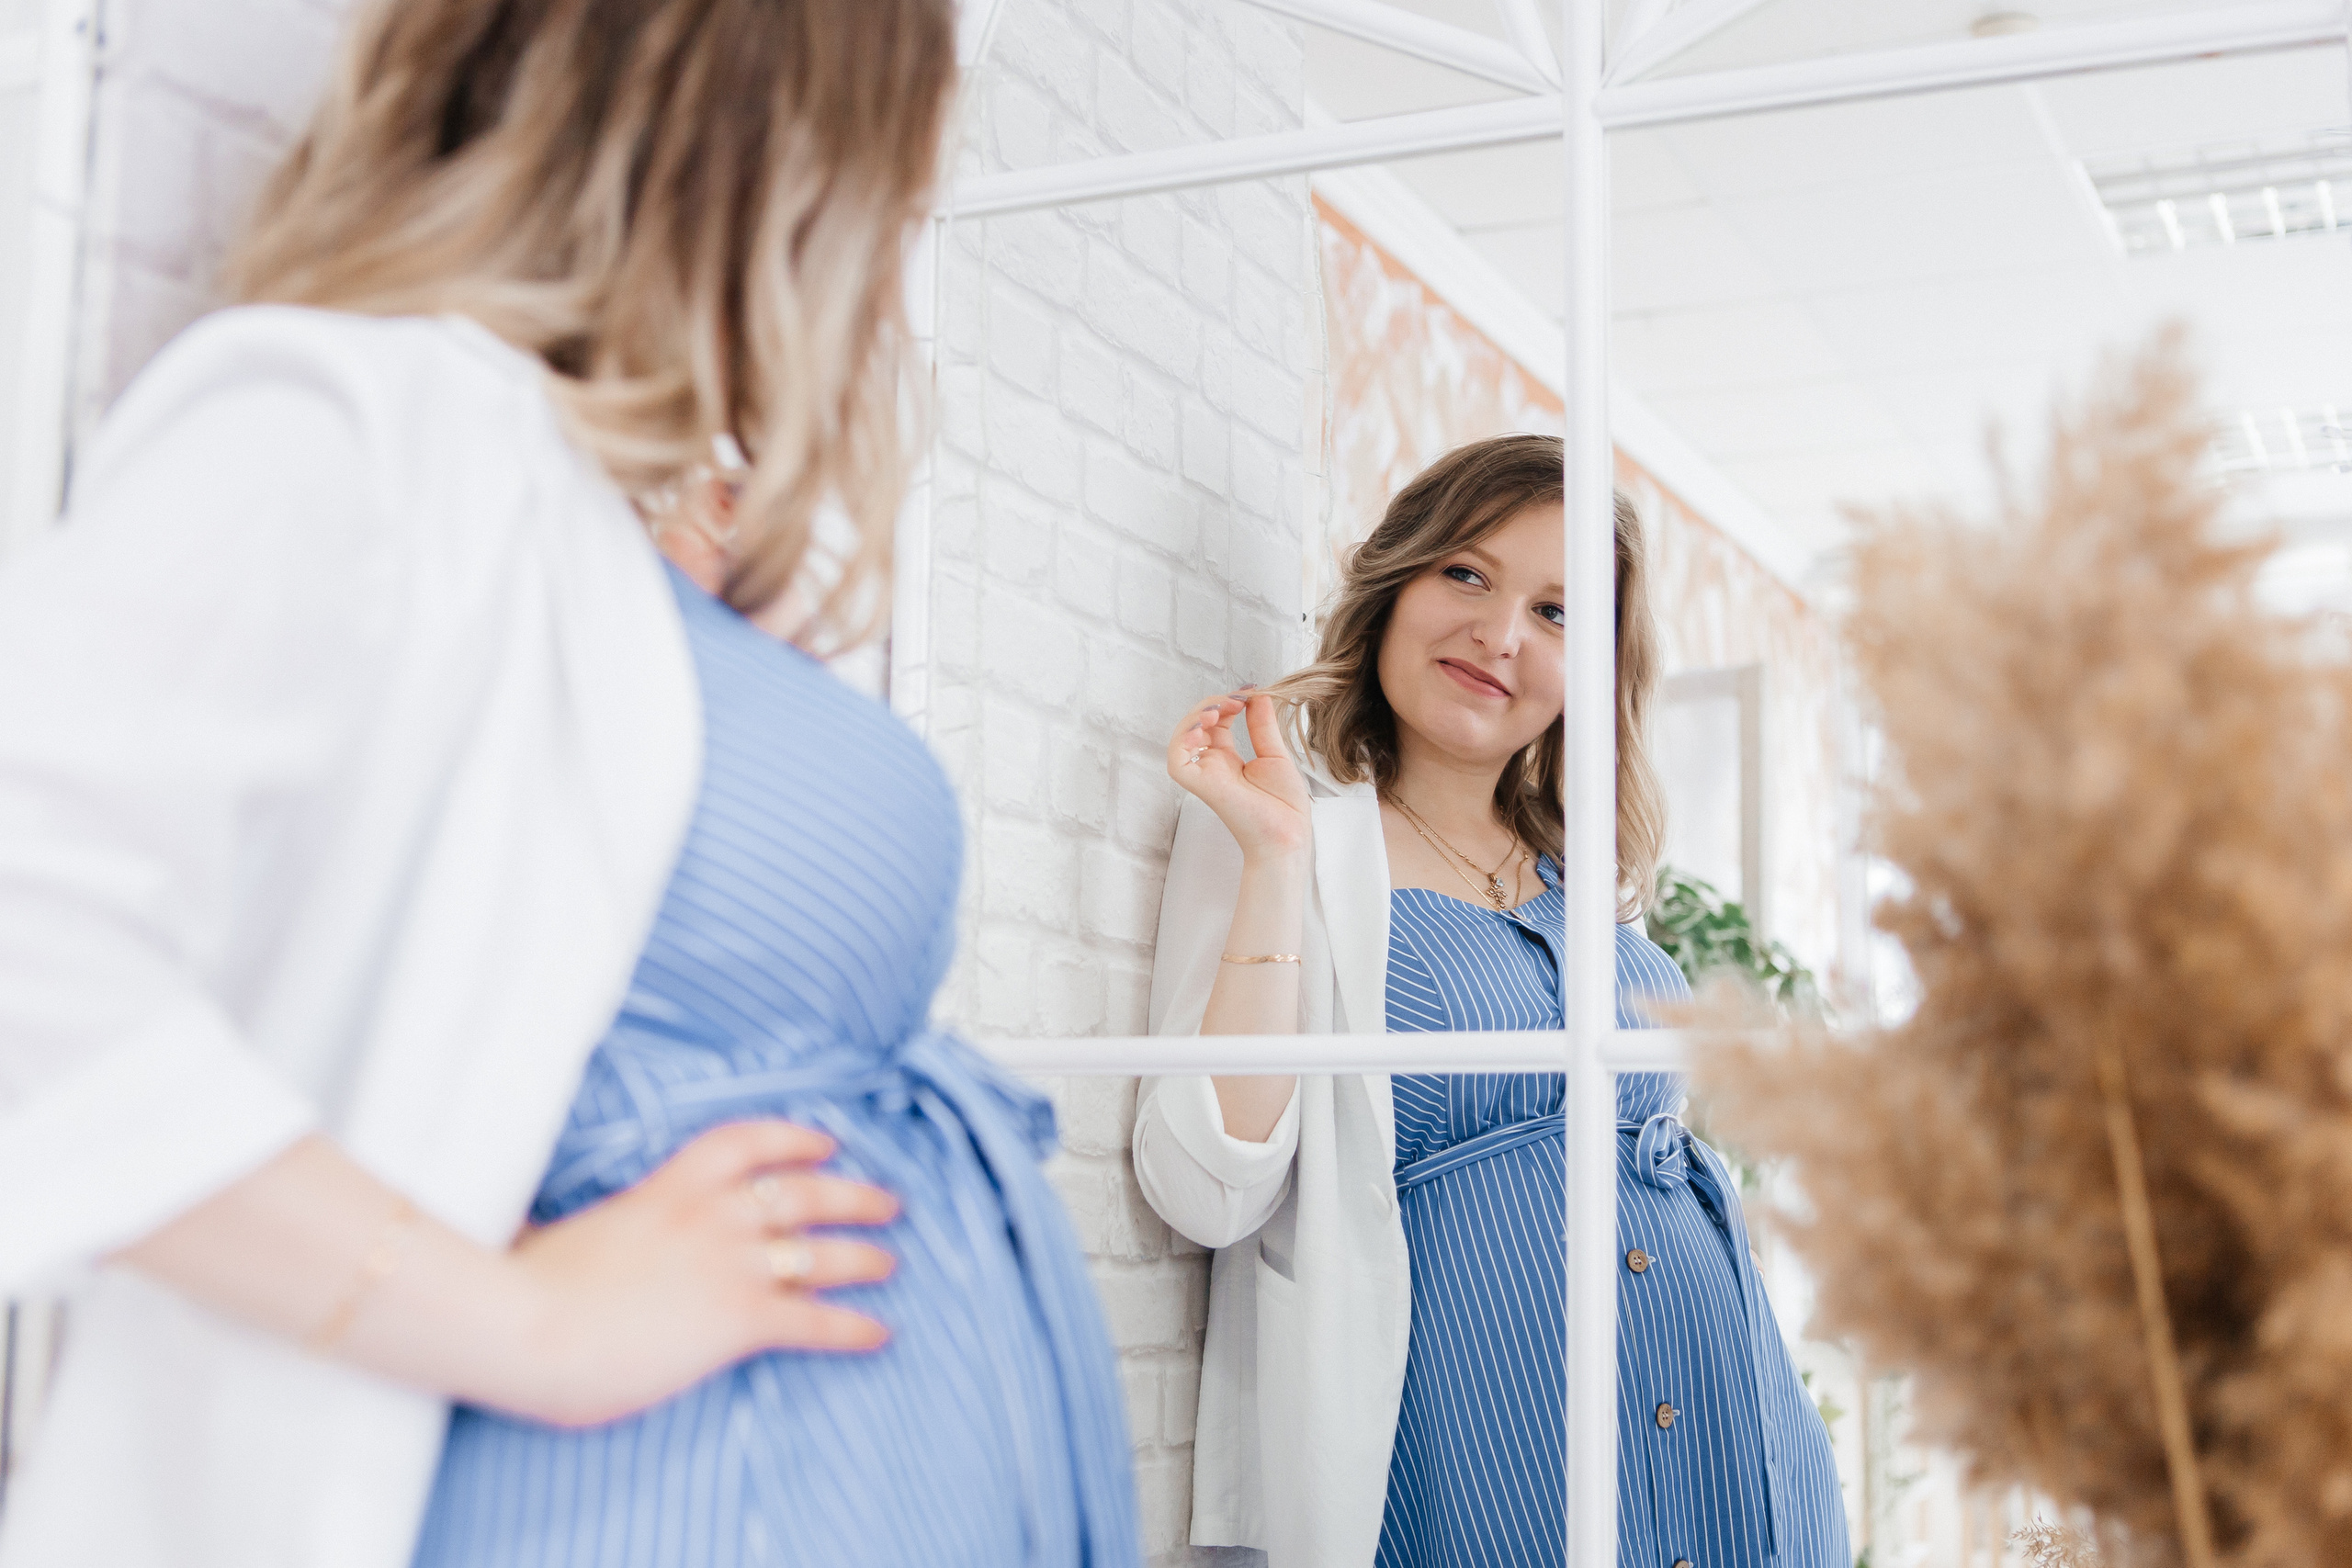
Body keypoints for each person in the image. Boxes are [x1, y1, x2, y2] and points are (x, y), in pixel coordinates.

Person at [0, 5, 1136, 1566]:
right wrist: (525, 1320)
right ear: (786, 123)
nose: (923, 182)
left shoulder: (574, 513)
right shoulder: (351, 415)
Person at [1131, 434, 1849, 1568]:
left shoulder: (1587, 881)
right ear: (1394, 584)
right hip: (1473, 1461)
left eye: (1558, 613)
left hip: (1723, 1425)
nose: (1500, 634)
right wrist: (1275, 862)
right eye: (1464, 573)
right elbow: (1206, 1184)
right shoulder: (1284, 843)